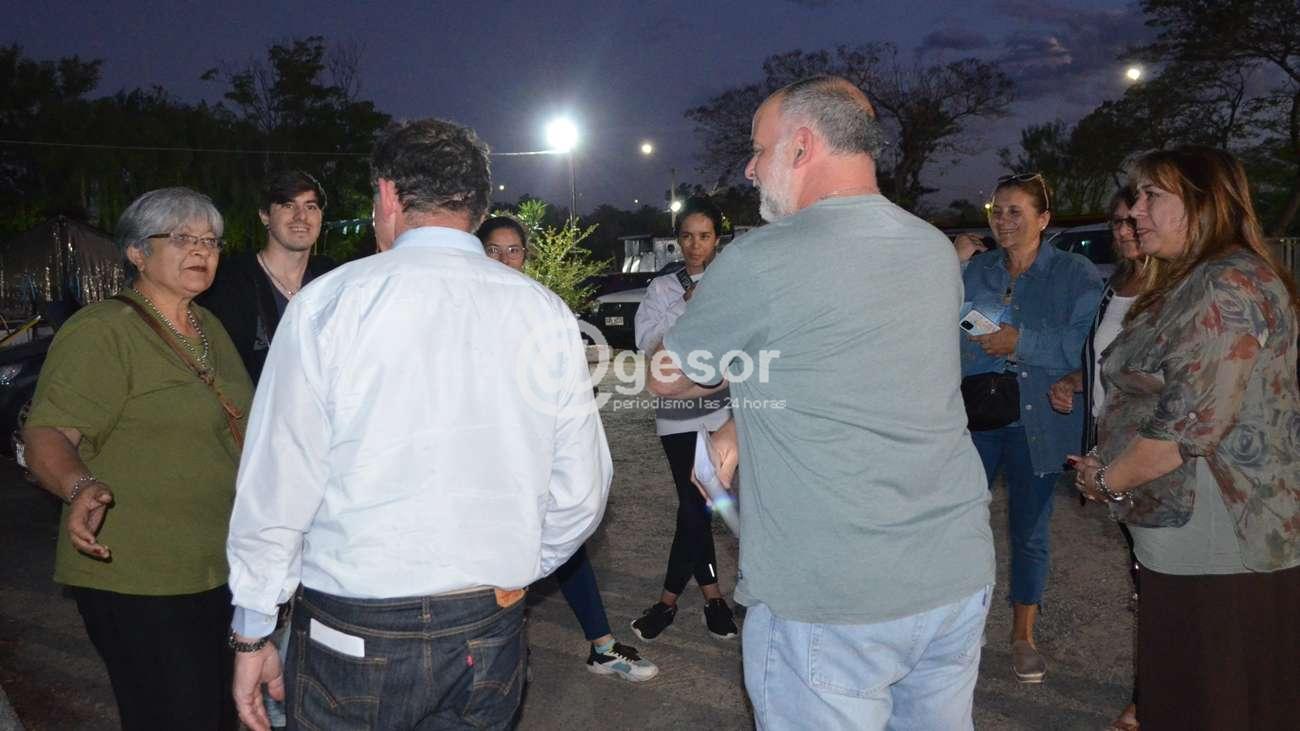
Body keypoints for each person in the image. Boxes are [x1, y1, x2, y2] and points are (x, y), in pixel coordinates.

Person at [226, 119, 613, 731]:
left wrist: (253, 628)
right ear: (477, 206)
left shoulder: (328, 305)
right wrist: (508, 565)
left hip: (355, 623)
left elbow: (278, 483)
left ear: (387, 196)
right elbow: (582, 489)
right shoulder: (543, 313)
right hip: (487, 621)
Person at [649, 76, 995, 730]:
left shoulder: (761, 258)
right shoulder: (932, 248)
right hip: (952, 575)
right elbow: (851, 372)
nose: (750, 168)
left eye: (759, 149)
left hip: (834, 597)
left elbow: (668, 375)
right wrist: (742, 419)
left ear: (802, 146)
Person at [1071, 147, 1300, 731]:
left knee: (1211, 694)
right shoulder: (1194, 279)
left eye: (1152, 196)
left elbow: (1185, 431)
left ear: (1204, 204)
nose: (1135, 211)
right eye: (1136, 196)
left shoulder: (1225, 284)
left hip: (1218, 529)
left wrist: (1103, 480)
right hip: (1192, 522)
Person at [21, 187, 253, 730]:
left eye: (211, 241)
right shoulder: (103, 331)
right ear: (136, 252)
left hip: (217, 566)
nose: (202, 250)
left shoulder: (210, 328)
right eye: (182, 238)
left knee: (218, 715)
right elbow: (47, 434)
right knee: (174, 716)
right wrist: (80, 487)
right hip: (136, 574)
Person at [475, 213, 658, 683]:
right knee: (492, 562)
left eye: (513, 250)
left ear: (526, 256)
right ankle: (501, 659)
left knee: (565, 540)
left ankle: (602, 646)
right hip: (483, 462)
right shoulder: (462, 311)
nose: (504, 260)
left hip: (534, 452)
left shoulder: (542, 310)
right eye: (493, 250)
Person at [956, 171, 1103, 683]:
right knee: (959, 523)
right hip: (977, 417)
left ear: (1043, 219)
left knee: (1029, 529)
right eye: (997, 211)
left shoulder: (1074, 273)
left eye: (1015, 211)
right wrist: (957, 270)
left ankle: (1023, 636)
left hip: (1036, 419)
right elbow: (953, 323)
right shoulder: (979, 269)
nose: (1003, 220)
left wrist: (1019, 343)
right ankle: (963, 628)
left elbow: (1082, 344)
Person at [1047, 188, 1149, 731]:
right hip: (1111, 444)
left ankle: (1149, 697)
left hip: (1150, 453)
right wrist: (1075, 380)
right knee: (1143, 575)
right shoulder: (1118, 283)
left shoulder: (1174, 287)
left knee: (1156, 578)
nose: (1125, 231)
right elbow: (1110, 362)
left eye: (1135, 220)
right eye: (1117, 222)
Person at [630, 195, 738, 642]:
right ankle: (692, 600)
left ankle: (687, 599)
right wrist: (686, 309)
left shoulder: (732, 283)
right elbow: (647, 344)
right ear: (677, 240)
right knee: (695, 503)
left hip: (721, 410)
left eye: (705, 236)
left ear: (718, 239)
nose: (695, 245)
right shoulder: (662, 288)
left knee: (701, 505)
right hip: (676, 412)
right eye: (688, 236)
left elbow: (741, 342)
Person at [198, 170, 336, 383]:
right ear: (265, 216)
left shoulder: (331, 279)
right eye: (288, 206)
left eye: (311, 207)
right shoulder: (229, 282)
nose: (301, 216)